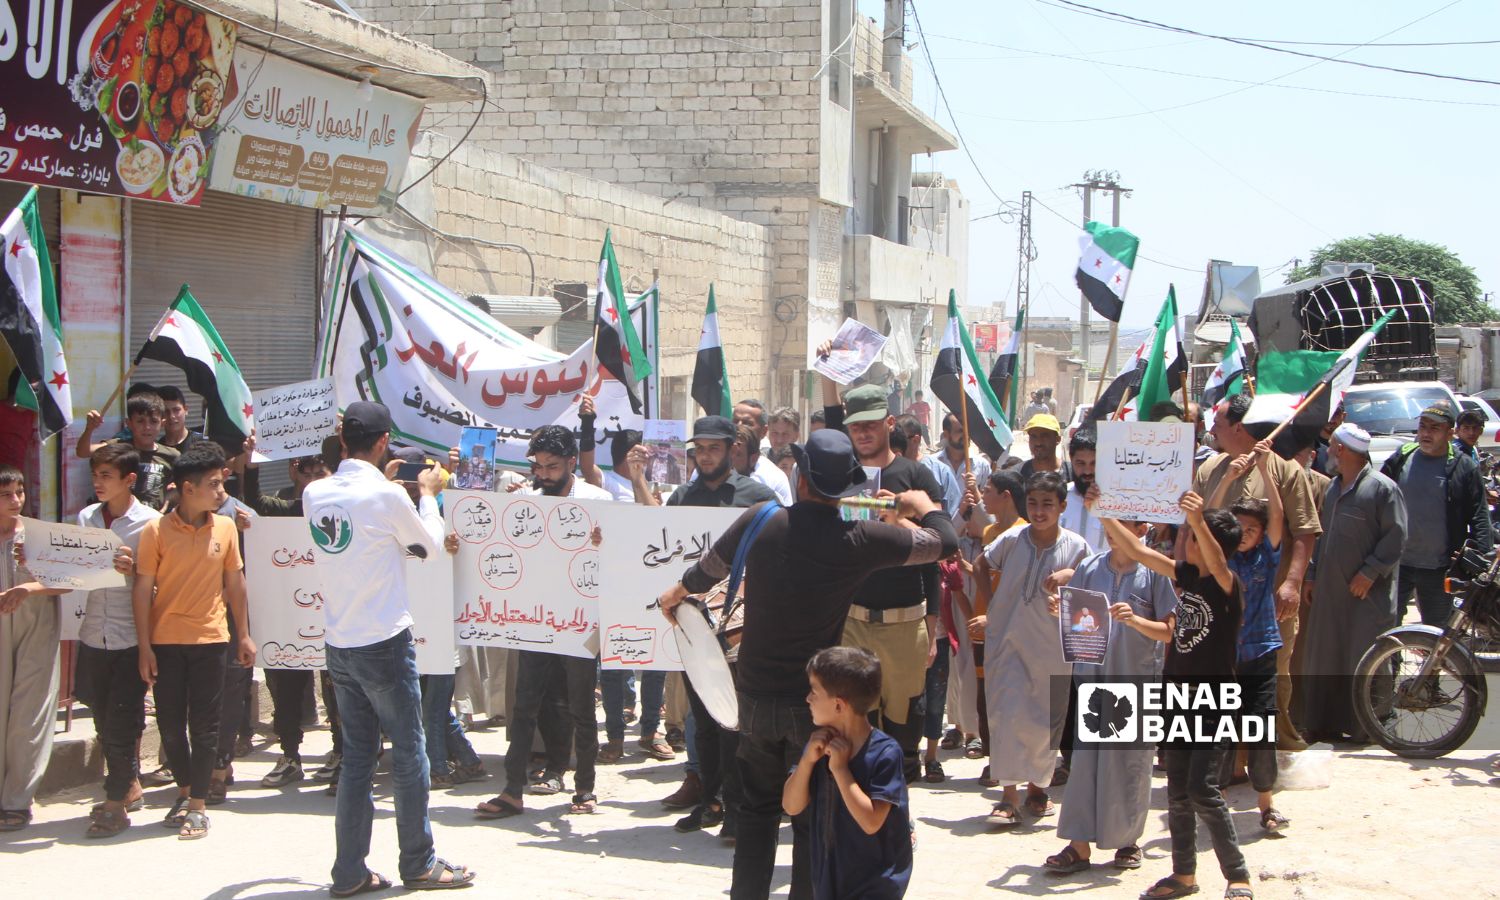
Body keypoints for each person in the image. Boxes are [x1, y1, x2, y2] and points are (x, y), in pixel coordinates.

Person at [653, 428, 957, 900]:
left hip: (752, 698)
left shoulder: (761, 520)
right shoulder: (860, 538)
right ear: (845, 487)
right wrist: (923, 504)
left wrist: (676, 592)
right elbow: (944, 543)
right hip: (815, 704)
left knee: (754, 812)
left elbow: (708, 567)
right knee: (812, 821)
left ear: (800, 476)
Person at [301, 401, 474, 893]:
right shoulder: (387, 496)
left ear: (342, 442)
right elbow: (429, 548)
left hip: (339, 642)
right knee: (410, 750)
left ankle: (349, 872)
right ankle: (419, 861)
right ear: (381, 443)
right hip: (384, 642)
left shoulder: (315, 492)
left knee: (358, 756)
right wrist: (426, 496)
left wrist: (388, 486)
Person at [1099, 493, 1254, 900]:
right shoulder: (1186, 578)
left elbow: (1218, 562)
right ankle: (1183, 875)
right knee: (1178, 792)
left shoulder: (1227, 584)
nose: (1183, 540)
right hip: (1178, 697)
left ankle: (1237, 875)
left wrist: (1198, 520)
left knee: (1203, 789)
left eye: (1190, 536)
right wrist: (1106, 511)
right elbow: (1137, 550)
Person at [475, 425, 612, 821]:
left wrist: (607, 540)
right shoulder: (526, 503)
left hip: (580, 622)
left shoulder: (598, 501)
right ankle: (512, 789)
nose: (544, 474)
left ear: (573, 462)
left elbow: (619, 556)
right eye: (539, 467)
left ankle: (585, 788)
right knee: (524, 707)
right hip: (533, 620)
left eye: (553, 466)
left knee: (582, 707)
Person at [820, 377, 946, 784]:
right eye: (855, 426)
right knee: (855, 721)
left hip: (905, 621)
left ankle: (897, 811)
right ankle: (858, 810)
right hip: (853, 618)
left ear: (889, 423)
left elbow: (940, 545)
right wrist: (829, 373)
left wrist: (933, 618)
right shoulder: (842, 474)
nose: (862, 432)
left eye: (871, 424)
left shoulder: (916, 475)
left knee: (905, 725)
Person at [656, 416, 776, 838]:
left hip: (742, 628)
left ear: (731, 450)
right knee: (703, 719)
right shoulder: (681, 497)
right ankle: (710, 800)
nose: (705, 456)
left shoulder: (757, 498)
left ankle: (741, 807)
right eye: (699, 449)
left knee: (736, 720)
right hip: (693, 625)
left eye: (713, 448)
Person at [1042, 513, 1176, 875]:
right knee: (1086, 761)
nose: (1112, 532)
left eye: (1123, 526)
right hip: (1092, 679)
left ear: (1142, 531)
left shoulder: (1156, 573)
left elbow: (1169, 632)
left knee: (1130, 762)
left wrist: (1135, 620)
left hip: (1136, 681)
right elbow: (1080, 624)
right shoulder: (1089, 567)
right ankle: (1079, 845)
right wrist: (1061, 612)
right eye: (1110, 524)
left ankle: (1128, 841)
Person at [132, 443, 254, 840]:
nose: (221, 492)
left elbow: (235, 584)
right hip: (165, 642)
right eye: (215, 485)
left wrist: (245, 634)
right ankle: (185, 792)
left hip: (212, 640)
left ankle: (198, 805)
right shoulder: (155, 531)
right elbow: (142, 588)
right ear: (188, 488)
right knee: (169, 724)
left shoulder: (225, 527)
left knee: (205, 725)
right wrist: (145, 646)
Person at [1196, 393, 1321, 752]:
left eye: (1217, 424)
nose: (1212, 431)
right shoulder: (1210, 470)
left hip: (1269, 603)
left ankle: (1271, 754)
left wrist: (1293, 584)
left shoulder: (1285, 471)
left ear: (1238, 427)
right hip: (1219, 603)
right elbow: (1195, 526)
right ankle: (1227, 757)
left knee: (1272, 677)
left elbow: (1303, 532)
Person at [973, 472, 1089, 827]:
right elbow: (981, 564)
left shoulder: (1077, 547)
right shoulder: (1012, 539)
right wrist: (991, 606)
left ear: (1062, 507)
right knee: (1006, 713)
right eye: (1034, 503)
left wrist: (1070, 578)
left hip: (1053, 647)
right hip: (1006, 641)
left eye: (1047, 504)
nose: (1039, 511)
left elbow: (1092, 593)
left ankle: (1038, 788)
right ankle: (1008, 796)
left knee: (1046, 718)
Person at [238, 442, 343, 792]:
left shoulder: (342, 510)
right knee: (287, 690)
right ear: (293, 474)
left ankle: (341, 751)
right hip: (290, 619)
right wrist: (251, 462)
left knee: (336, 690)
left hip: (332, 618)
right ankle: (289, 756)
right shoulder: (285, 508)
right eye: (306, 473)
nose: (312, 481)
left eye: (320, 473)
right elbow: (253, 500)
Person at [75, 445, 160, 838]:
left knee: (122, 718)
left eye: (106, 475)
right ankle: (128, 784)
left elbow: (164, 583)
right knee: (101, 715)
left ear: (129, 480)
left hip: (131, 635)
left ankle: (114, 804)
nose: (98, 482)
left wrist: (136, 570)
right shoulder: (86, 517)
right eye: (96, 475)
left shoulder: (150, 524)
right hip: (93, 631)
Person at [1303, 424, 1407, 743]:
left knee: (1365, 658)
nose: (1328, 452)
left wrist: (1371, 571)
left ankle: (1368, 728)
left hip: (1367, 594)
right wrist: (1311, 574)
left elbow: (1397, 536)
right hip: (1330, 592)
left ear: (1342, 450)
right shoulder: (1334, 489)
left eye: (1332, 446)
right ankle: (1325, 724)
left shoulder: (1381, 488)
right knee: (1327, 656)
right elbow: (1322, 537)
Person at [783, 647, 912, 899]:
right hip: (828, 878)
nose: (808, 698)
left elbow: (871, 821)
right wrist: (807, 761)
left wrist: (841, 770)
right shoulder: (818, 746)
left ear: (839, 705)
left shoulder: (885, 752)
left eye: (814, 692)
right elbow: (791, 806)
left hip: (876, 883)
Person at [1212, 483, 1287, 832]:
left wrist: (1267, 473)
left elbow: (1280, 519)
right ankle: (1219, 804)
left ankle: (1266, 806)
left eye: (1252, 529)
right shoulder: (1219, 558)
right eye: (1239, 527)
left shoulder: (1267, 558)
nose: (1245, 534)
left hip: (1261, 653)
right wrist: (1231, 477)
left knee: (1261, 731)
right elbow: (1204, 521)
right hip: (1225, 657)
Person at [1380, 399, 1492, 627]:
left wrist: (1483, 556)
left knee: (1436, 632)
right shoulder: (1402, 457)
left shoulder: (1463, 467)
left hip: (1439, 568)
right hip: (1397, 564)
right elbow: (1378, 500)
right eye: (1423, 426)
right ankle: (1388, 664)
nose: (1426, 433)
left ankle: (1435, 665)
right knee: (1386, 626)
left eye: (1434, 428)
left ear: (1450, 433)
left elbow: (1479, 514)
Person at [0, 465, 66, 833]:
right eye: (6, 494)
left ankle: (16, 800)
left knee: (29, 713)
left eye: (19, 492)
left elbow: (68, 583)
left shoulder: (39, 536)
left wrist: (30, 587)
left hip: (36, 627)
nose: (15, 501)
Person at [964, 469, 1028, 781]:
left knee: (1011, 693)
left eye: (987, 491)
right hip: (982, 626)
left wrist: (997, 615)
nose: (983, 496)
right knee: (985, 694)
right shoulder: (989, 533)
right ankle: (994, 758)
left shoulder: (1025, 533)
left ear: (1006, 497)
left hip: (1011, 627)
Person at [80, 391, 181, 510]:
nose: (147, 427)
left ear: (162, 423)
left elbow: (182, 486)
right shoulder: (119, 447)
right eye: (140, 421)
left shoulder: (172, 455)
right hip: (119, 518)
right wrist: (89, 429)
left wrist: (168, 499)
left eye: (153, 421)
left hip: (152, 521)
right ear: (129, 423)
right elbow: (83, 451)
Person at [896, 415, 962, 518]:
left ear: (915, 440)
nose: (894, 445)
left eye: (899, 440)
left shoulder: (940, 472)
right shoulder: (887, 469)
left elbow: (953, 514)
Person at [1058, 429, 1103, 552]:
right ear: (1071, 459)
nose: (1087, 471)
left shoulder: (1116, 502)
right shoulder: (1059, 497)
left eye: (1093, 463)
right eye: (1080, 463)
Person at [934, 413, 992, 499]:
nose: (966, 435)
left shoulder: (982, 465)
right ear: (946, 434)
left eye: (968, 430)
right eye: (960, 431)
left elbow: (989, 503)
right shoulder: (933, 464)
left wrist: (975, 491)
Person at [1018, 414, 1073, 484]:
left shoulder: (1072, 473)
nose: (1038, 443)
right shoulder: (1018, 474)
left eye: (1044, 436)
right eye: (1033, 436)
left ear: (1057, 440)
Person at [156, 385, 208, 454]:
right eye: (166, 411)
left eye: (176, 410)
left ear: (186, 410)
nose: (172, 416)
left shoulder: (202, 443)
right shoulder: (158, 448)